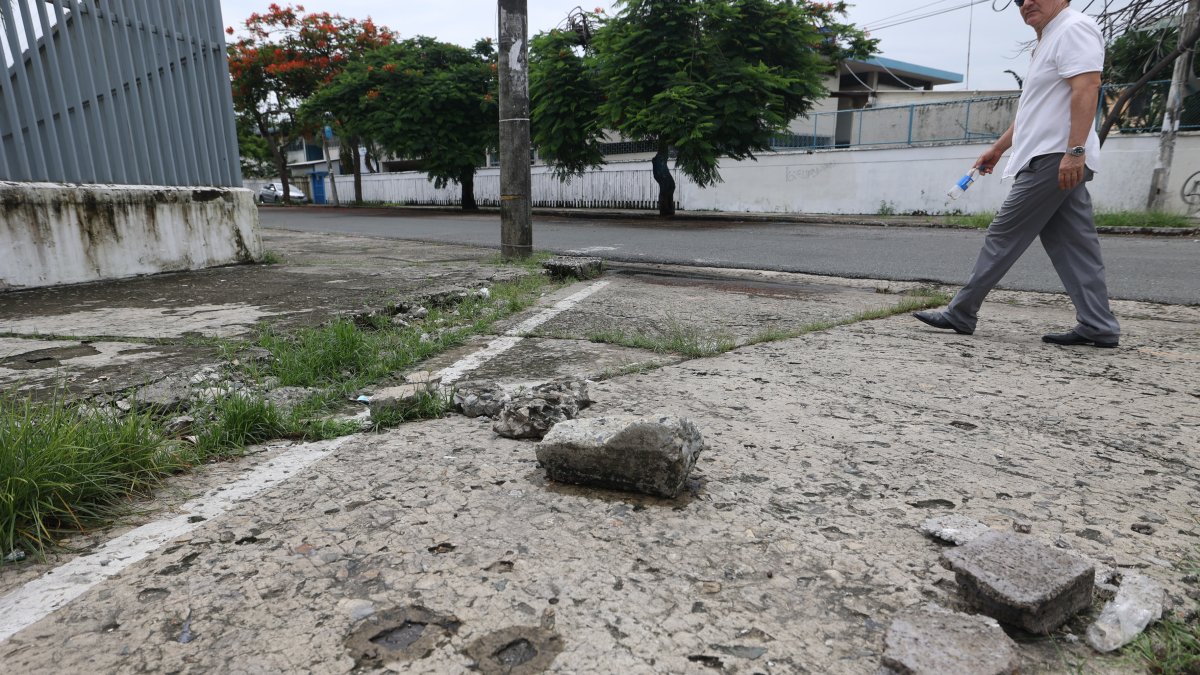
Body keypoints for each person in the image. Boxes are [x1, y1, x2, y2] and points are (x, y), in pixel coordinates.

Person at [913, 0, 1121, 348]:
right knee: (1074, 245)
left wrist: (1075, 151)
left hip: (1055, 156)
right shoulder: (1048, 38)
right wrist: (999, 147)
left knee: (1003, 234)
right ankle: (1099, 325)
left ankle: (961, 311)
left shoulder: (1073, 28)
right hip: (1051, 154)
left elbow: (1087, 87)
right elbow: (1034, 110)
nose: (1026, 3)